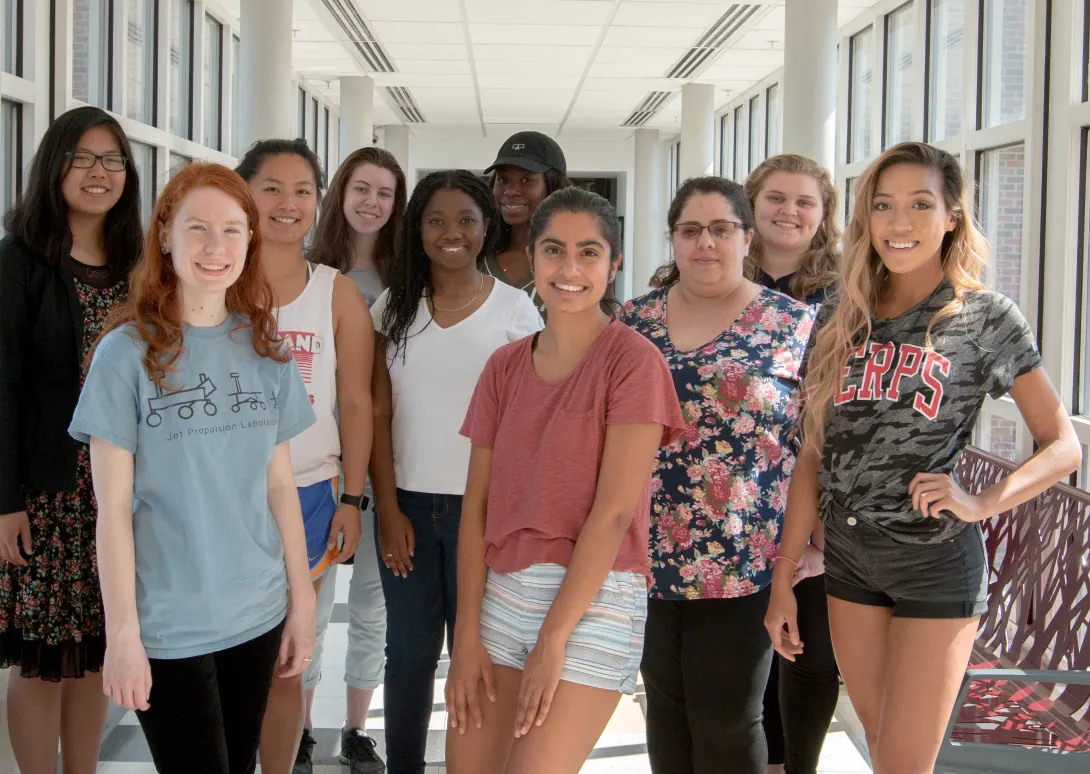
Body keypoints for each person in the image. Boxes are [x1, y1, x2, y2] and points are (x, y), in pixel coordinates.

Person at [764, 142, 1081, 773]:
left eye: (919, 204)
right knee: (883, 746)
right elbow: (813, 456)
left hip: (933, 564)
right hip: (850, 562)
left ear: (952, 215)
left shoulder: (985, 317)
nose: (899, 222)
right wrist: (783, 578)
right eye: (883, 205)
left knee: (904, 763)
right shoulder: (841, 314)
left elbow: (1063, 445)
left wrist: (981, 502)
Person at [68, 162, 318, 773]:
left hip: (258, 610)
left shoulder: (267, 347)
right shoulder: (123, 355)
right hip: (169, 621)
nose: (215, 247)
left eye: (232, 230)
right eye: (197, 228)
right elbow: (112, 512)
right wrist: (122, 634)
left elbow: (279, 485)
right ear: (164, 235)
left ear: (249, 241)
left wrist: (303, 601)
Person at [445, 186, 684, 773]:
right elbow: (476, 508)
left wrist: (553, 642)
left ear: (614, 264)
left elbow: (613, 514)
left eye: (588, 253)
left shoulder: (635, 363)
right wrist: (465, 639)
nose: (569, 269)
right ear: (531, 256)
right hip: (503, 593)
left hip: (594, 597)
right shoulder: (503, 367)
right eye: (554, 250)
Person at [617, 177, 814, 774]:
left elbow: (816, 448)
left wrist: (805, 550)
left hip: (744, 559)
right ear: (673, 239)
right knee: (664, 712)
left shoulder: (794, 324)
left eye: (721, 229)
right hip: (644, 553)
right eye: (691, 230)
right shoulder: (633, 321)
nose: (706, 242)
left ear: (747, 238)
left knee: (729, 721)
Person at [371, 170, 542, 774]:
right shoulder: (392, 308)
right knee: (408, 654)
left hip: (487, 512)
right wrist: (386, 510)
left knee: (481, 655)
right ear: (417, 229)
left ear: (487, 226)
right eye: (436, 220)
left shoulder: (516, 311)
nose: (452, 233)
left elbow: (530, 425)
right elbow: (378, 413)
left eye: (467, 220)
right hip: (409, 510)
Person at [0, 106, 143, 774]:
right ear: (53, 166)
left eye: (112, 160)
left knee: (96, 650)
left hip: (121, 495)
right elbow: (0, 385)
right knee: (40, 661)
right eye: (81, 157)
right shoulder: (18, 260)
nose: (98, 172)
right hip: (46, 494)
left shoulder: (139, 265)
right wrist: (5, 501)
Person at [234, 139, 376, 774]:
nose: (287, 203)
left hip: (312, 492)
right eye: (271, 187)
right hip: (227, 496)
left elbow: (358, 404)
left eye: (301, 191)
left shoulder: (335, 293)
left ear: (318, 202)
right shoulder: (216, 280)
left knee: (290, 654)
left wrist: (352, 499)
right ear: (244, 193)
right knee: (227, 652)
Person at [308, 145, 407, 772]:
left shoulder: (407, 280)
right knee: (310, 602)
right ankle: (297, 728)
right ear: (341, 193)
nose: (372, 202)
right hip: (319, 464)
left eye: (385, 193)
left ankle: (355, 729)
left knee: (372, 603)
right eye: (362, 189)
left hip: (384, 466)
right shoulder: (309, 271)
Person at [744, 154, 841, 774]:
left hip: (823, 497)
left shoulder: (853, 293)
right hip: (737, 495)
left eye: (806, 202)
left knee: (808, 650)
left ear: (824, 215)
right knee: (745, 650)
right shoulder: (713, 276)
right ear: (751, 205)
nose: (789, 211)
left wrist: (819, 536)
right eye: (776, 198)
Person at [482, 131, 572, 313]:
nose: (510, 191)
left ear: (553, 187)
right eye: (502, 179)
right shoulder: (478, 255)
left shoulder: (576, 260)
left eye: (526, 180)